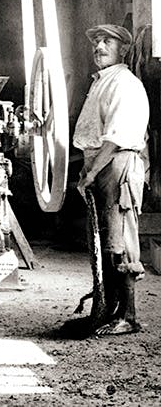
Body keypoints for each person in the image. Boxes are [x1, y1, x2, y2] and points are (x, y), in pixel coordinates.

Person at [72, 23, 149, 335]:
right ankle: (109, 310)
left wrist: (91, 171)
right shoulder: (102, 82)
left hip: (118, 165)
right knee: (105, 241)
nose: (99, 47)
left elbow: (115, 136)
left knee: (120, 242)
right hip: (102, 163)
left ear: (123, 50)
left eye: (107, 42)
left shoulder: (124, 83)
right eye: (96, 42)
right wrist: (88, 167)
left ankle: (128, 316)